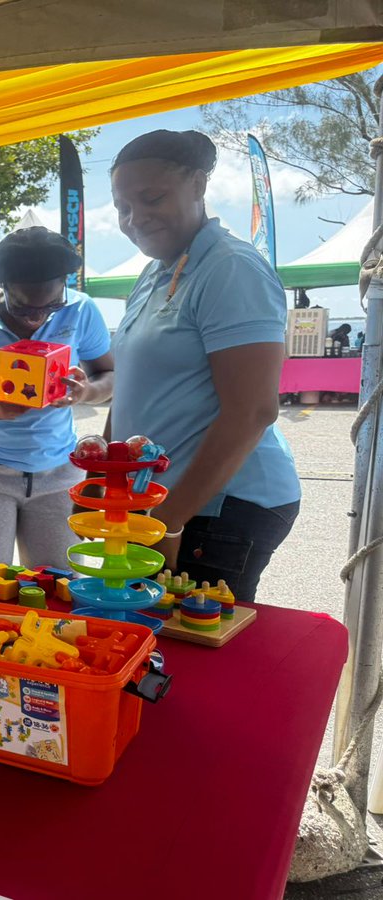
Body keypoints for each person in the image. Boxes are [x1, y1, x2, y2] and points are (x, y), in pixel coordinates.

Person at [108, 129, 301, 601]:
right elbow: (131, 384)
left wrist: (170, 524)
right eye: (122, 206)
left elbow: (253, 411)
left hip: (215, 508)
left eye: (152, 198)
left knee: (187, 652)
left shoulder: (229, 266)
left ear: (198, 185)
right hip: (157, 506)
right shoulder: (157, 270)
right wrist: (111, 487)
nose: (136, 218)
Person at [0, 226, 114, 568]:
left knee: (60, 586)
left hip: (59, 471)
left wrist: (86, 391)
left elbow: (110, 375)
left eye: (52, 304)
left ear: (65, 283)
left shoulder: (80, 310)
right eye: (22, 307)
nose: (37, 316)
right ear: (1, 285)